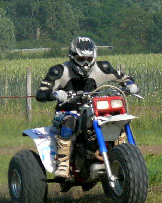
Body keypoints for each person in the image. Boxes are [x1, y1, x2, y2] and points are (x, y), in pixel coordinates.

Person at [36, 37, 139, 179]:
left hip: (94, 110)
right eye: (81, 58)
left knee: (116, 118)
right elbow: (40, 93)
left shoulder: (103, 68)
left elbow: (124, 78)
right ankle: (63, 163)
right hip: (67, 111)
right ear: (72, 57)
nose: (85, 63)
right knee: (69, 121)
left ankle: (121, 155)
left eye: (89, 59)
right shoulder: (59, 71)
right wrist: (55, 94)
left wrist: (130, 85)